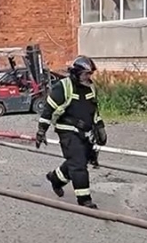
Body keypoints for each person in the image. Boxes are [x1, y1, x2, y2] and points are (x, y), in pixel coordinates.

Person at [36, 56, 106, 209]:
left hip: (84, 132)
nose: (88, 77)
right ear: (76, 73)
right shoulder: (63, 87)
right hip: (67, 131)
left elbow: (93, 110)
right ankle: (84, 200)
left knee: (80, 159)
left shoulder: (89, 87)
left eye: (90, 74)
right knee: (79, 164)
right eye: (86, 74)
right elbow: (48, 109)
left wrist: (100, 127)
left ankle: (55, 178)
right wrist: (41, 131)